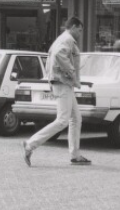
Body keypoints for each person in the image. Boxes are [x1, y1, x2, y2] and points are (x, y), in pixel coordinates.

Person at [22, 17, 91, 167]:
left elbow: (53, 59)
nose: (80, 33)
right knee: (63, 120)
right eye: (79, 30)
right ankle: (30, 144)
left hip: (62, 83)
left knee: (76, 118)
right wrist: (72, 74)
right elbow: (59, 56)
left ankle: (75, 155)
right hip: (63, 84)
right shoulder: (67, 39)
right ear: (72, 27)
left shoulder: (62, 39)